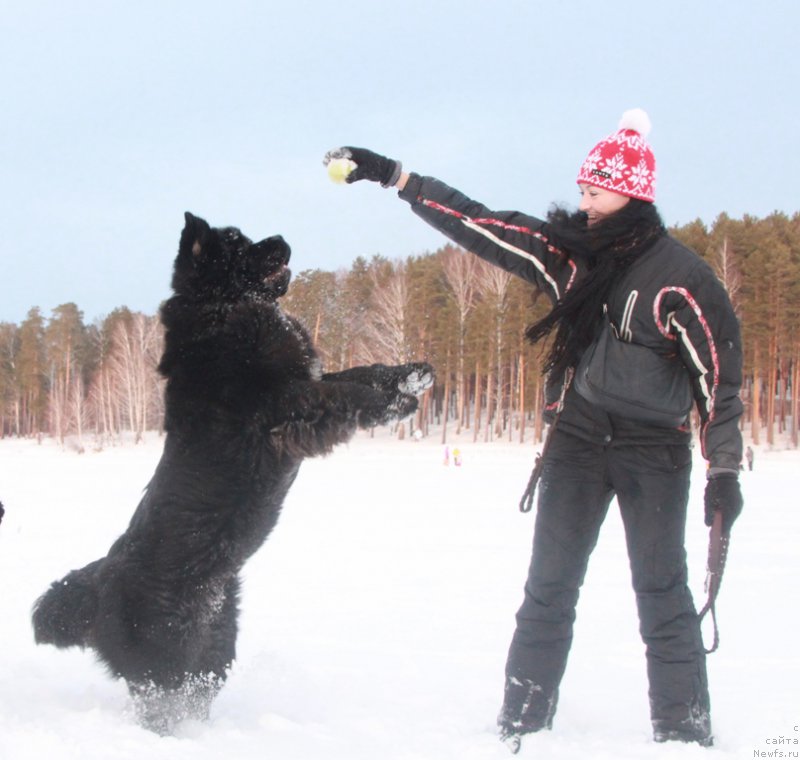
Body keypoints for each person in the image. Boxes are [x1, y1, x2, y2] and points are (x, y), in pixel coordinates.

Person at [324, 109, 744, 751]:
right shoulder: (568, 256)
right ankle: (521, 728)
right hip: (575, 441)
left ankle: (683, 735)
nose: (584, 202)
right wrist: (396, 177)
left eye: (595, 192)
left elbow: (720, 385)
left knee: (662, 595)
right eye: (581, 190)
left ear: (633, 192)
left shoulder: (682, 279)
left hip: (653, 452)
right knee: (548, 589)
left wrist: (722, 473)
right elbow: (483, 224)